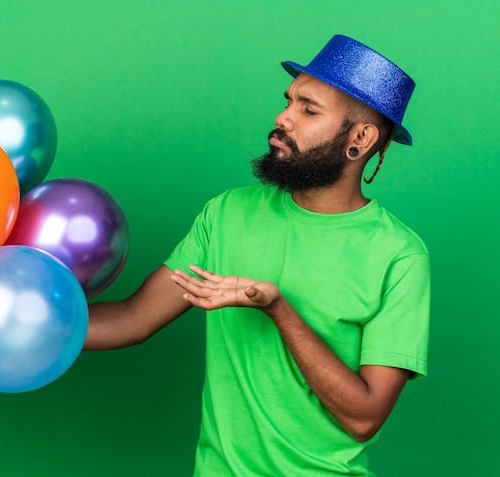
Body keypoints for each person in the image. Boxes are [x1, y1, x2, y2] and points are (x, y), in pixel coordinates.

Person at [84, 34, 431, 476]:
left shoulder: (399, 256)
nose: (282, 118)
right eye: (288, 101)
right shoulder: (228, 213)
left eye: (308, 109)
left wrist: (278, 310)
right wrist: (25, 321)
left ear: (360, 138)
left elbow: (364, 417)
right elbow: (133, 319)